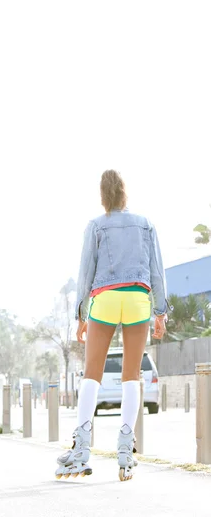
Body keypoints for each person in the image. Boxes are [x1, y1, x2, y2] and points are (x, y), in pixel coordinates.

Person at [56, 170, 170, 482]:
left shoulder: (95, 225)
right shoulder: (145, 224)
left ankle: (80, 450)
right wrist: (160, 312)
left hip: (104, 299)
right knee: (132, 375)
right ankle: (124, 449)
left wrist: (82, 314)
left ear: (103, 196)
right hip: (137, 298)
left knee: (92, 372)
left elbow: (85, 271)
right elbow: (157, 270)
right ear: (124, 193)